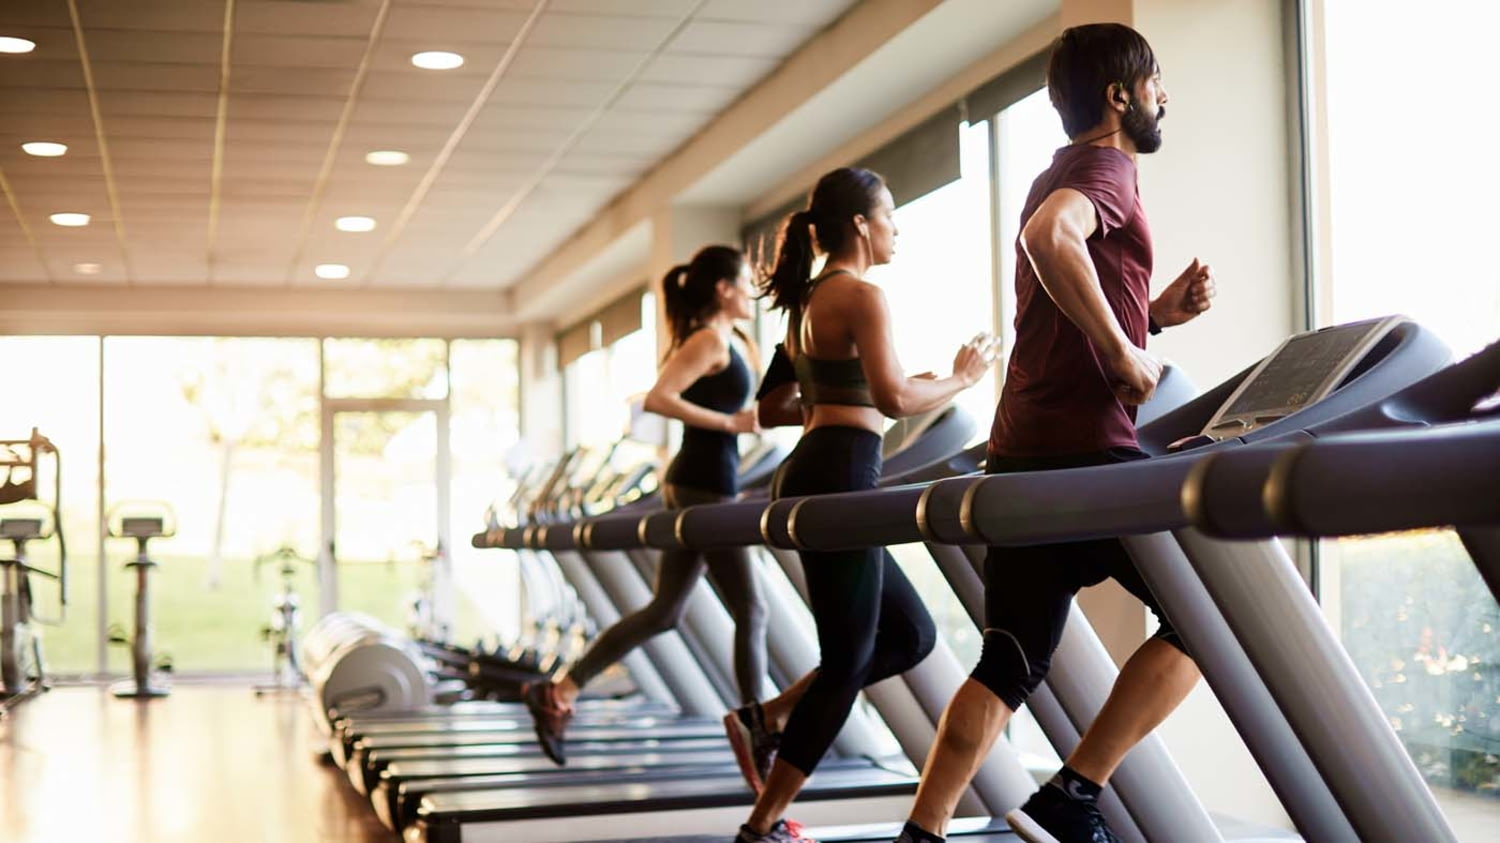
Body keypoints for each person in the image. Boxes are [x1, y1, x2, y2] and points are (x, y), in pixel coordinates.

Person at [894, 23, 1216, 843]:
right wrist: (1124, 354)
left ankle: (922, 832)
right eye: (1155, 83)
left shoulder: (1056, 172)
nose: (1164, 96)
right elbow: (1051, 241)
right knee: (1209, 619)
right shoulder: (1105, 168)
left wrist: (1152, 319)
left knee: (1006, 660)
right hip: (1086, 460)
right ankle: (1074, 791)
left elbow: (1055, 308)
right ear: (1120, 96)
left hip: (1023, 454)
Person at [731, 166, 998, 843]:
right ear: (860, 225)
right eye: (889, 216)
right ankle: (762, 822)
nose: (896, 228)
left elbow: (773, 406)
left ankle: (769, 718)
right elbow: (892, 400)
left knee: (911, 635)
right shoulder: (862, 296)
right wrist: (961, 378)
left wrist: (844, 394)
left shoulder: (805, 302)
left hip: (818, 468)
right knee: (848, 661)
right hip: (843, 471)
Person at [523, 244, 768, 766]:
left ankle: (560, 692)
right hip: (702, 487)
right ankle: (756, 724)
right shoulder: (707, 339)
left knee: (665, 612)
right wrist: (728, 424)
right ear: (723, 289)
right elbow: (658, 398)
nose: (751, 291)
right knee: (751, 607)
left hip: (709, 484)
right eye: (745, 282)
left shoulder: (728, 338)